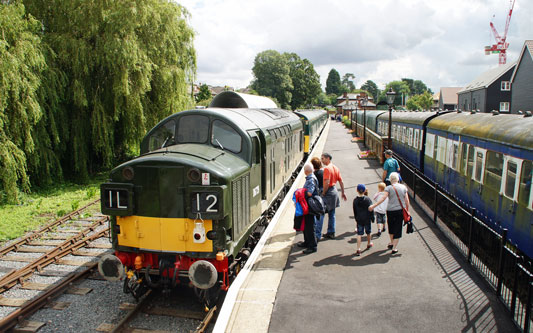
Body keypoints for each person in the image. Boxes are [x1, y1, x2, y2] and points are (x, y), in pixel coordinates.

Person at [369, 172, 409, 254]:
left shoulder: (388, 188)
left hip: (390, 211)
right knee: (398, 228)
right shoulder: (404, 188)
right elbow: (407, 201)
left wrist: (374, 205)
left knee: (391, 227)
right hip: (400, 211)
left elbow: (383, 198)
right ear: (398, 179)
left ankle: (391, 242)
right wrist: (407, 211)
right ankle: (394, 248)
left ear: (390, 180)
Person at [320, 153, 347, 239]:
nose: (322, 160)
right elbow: (341, 181)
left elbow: (326, 182)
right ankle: (331, 232)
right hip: (334, 191)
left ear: (328, 158)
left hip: (329, 192)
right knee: (332, 213)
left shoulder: (327, 169)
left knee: (321, 212)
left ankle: (317, 234)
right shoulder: (335, 167)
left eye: (323, 158)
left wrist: (323, 193)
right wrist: (343, 192)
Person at [296, 163, 319, 254]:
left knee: (310, 226)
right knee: (306, 225)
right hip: (307, 205)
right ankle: (307, 242)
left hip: (310, 206)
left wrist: (300, 192)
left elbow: (309, 192)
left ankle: (312, 246)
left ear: (306, 171)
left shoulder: (311, 179)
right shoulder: (310, 178)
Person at [353, 184, 374, 256]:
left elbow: (355, 210)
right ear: (365, 191)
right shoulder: (368, 199)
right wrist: (372, 218)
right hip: (367, 218)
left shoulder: (355, 200)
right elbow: (371, 209)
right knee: (368, 232)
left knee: (359, 234)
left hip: (359, 219)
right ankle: (369, 243)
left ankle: (358, 248)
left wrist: (356, 218)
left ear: (357, 190)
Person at [310, 157, 325, 241]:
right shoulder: (323, 172)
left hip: (318, 195)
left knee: (317, 214)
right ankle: (317, 234)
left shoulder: (315, 175)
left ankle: (316, 235)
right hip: (324, 194)